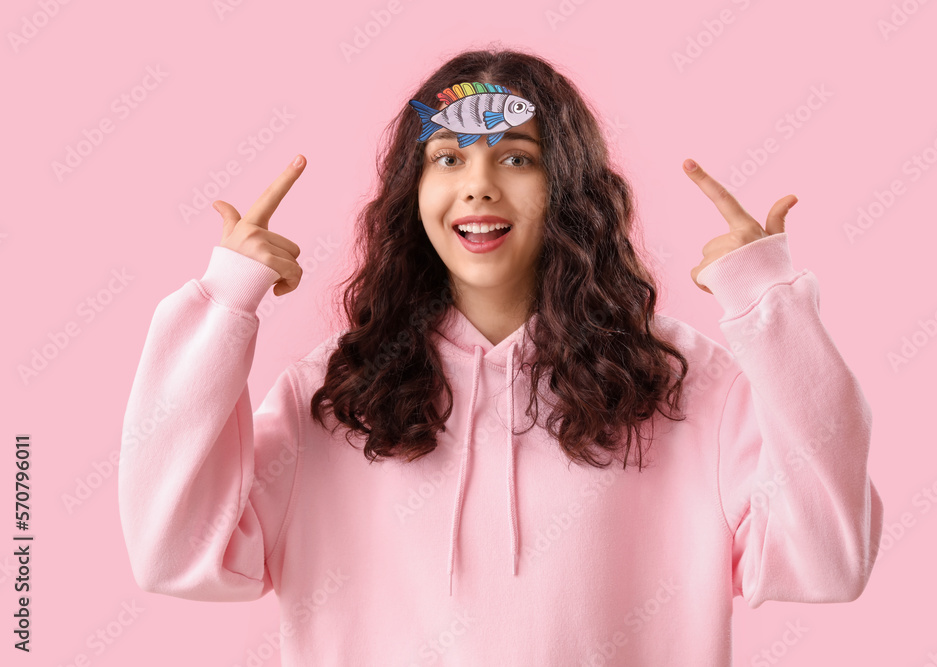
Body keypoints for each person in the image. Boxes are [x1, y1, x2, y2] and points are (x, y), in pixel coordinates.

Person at [118, 48, 883, 666]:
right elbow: (175, 550)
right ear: (412, 193)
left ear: (567, 187)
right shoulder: (334, 392)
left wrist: (769, 304)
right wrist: (225, 300)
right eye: (447, 159)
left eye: (516, 158)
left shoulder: (681, 385)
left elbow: (829, 558)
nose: (478, 186)